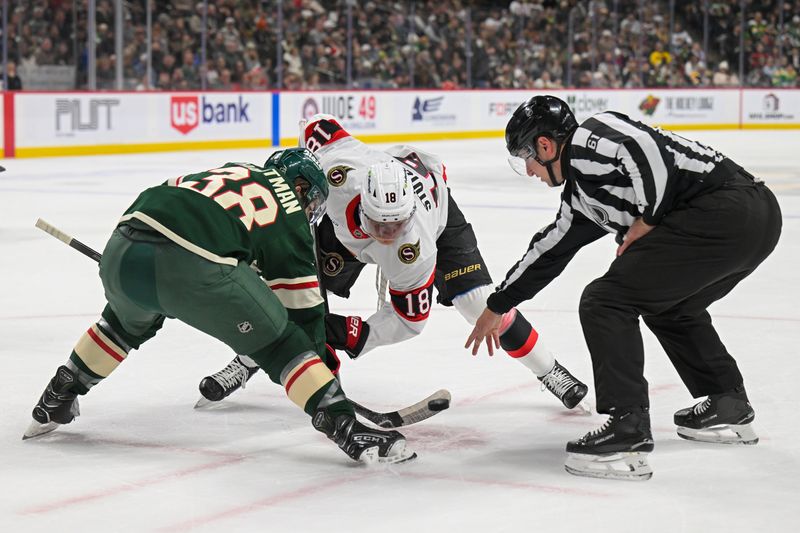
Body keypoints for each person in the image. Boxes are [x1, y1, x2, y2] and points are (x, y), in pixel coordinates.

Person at [23, 148, 415, 465]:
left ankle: (59, 393)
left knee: (120, 326)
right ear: (300, 187)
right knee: (282, 343)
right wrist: (324, 380)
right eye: (313, 200)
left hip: (122, 247)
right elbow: (303, 311)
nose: (311, 211)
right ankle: (346, 427)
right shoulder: (290, 210)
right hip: (190, 265)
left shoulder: (235, 170)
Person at [465, 95, 782, 480]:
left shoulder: (591, 137)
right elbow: (548, 251)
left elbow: (644, 148)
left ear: (545, 146)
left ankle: (627, 426)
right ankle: (728, 403)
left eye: (527, 158)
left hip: (727, 209)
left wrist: (647, 219)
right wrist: (498, 304)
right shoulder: (582, 196)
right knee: (671, 308)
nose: (529, 170)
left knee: (604, 301)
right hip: (754, 222)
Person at [200, 114, 589, 412]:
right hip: (351, 223)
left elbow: (409, 321)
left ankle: (548, 368)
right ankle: (249, 358)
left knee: (478, 302)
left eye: (396, 225)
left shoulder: (414, 246)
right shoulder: (338, 175)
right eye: (380, 225)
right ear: (361, 203)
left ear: (406, 215)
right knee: (289, 284)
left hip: (439, 216)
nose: (388, 234)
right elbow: (316, 127)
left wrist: (351, 336)